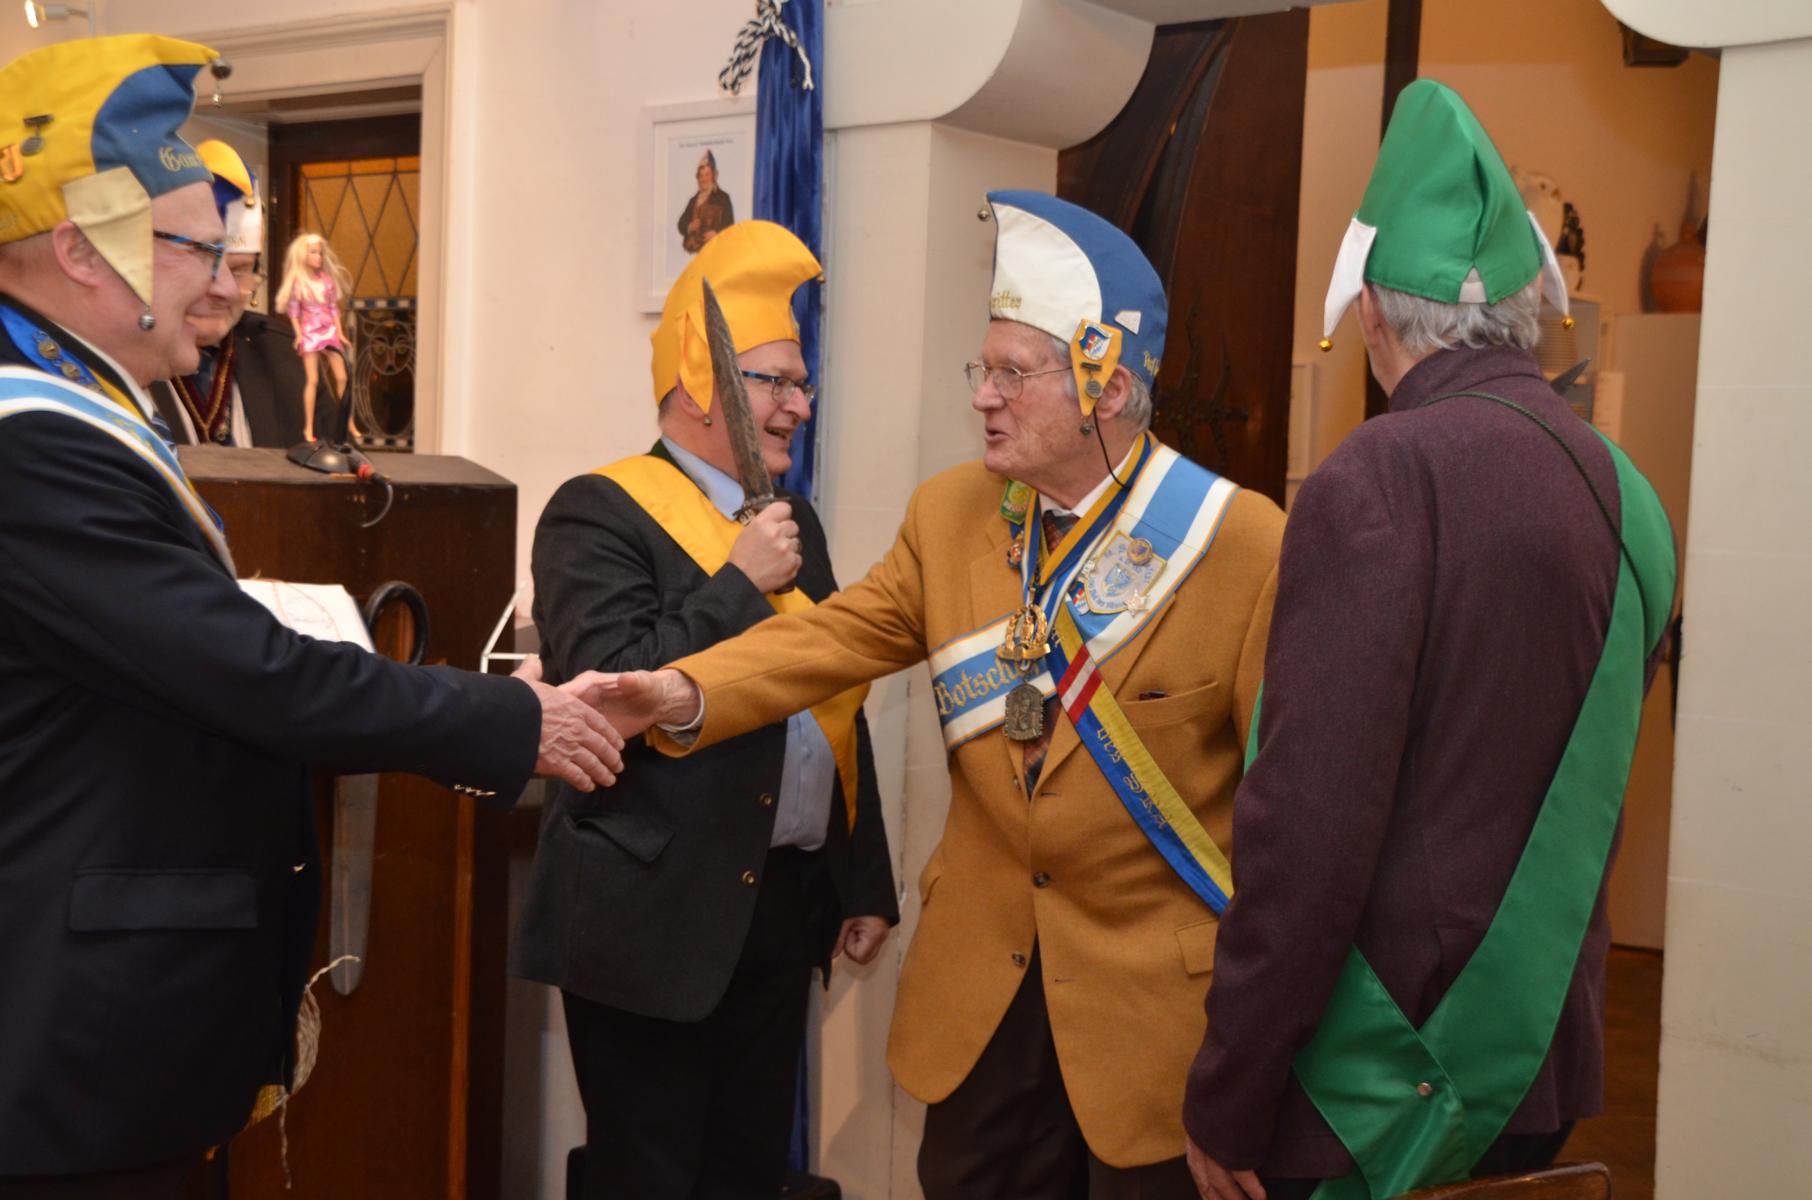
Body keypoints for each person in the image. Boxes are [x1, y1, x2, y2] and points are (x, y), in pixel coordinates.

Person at [0, 35, 627, 1196]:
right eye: (198, 251)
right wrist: (512, 719)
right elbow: (244, 672)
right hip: (68, 1053)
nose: (229, 288)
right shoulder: (35, 443)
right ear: (82, 249)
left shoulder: (75, 411)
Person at [604, 191, 1285, 1198]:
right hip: (981, 1016)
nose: (983, 399)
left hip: (1155, 1035)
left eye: (1014, 374)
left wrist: (1263, 1059)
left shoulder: (1243, 544)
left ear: (1104, 389)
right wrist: (672, 692)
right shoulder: (952, 514)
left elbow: (1293, 826)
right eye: (984, 369)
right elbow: (828, 641)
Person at [1178, 81, 1676, 1200]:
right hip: (1540, 1061)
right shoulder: (1632, 497)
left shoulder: (1381, 476)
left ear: (1370, 315)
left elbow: (1308, 827)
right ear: (1528, 306)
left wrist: (1230, 1089)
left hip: (1381, 1086)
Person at [510, 219, 898, 1200]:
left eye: (802, 384)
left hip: (777, 905)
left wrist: (862, 879)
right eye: (776, 382)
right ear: (700, 384)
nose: (800, 406)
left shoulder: (792, 521)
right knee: (649, 1180)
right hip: (652, 918)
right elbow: (609, 692)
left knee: (746, 1178)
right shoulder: (596, 510)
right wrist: (735, 582)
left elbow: (832, 687)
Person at [146, 139, 309, 446]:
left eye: (239, 270)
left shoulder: (287, 356)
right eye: (204, 263)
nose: (227, 290)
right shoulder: (120, 353)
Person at [274, 230, 350, 442]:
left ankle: (347, 422)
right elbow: (294, 312)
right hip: (310, 333)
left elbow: (334, 309)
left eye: (320, 253)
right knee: (313, 380)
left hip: (329, 331)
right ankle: (308, 428)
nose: (319, 257)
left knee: (343, 378)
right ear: (304, 255)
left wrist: (340, 333)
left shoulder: (326, 281)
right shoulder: (299, 283)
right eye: (314, 252)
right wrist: (299, 335)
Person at [678, 148, 734, 254]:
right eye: (701, 175)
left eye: (707, 174)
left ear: (713, 176)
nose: (704, 179)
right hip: (692, 251)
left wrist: (717, 234)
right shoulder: (693, 200)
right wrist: (690, 226)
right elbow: (681, 224)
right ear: (698, 178)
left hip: (714, 251)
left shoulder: (723, 198)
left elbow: (730, 225)